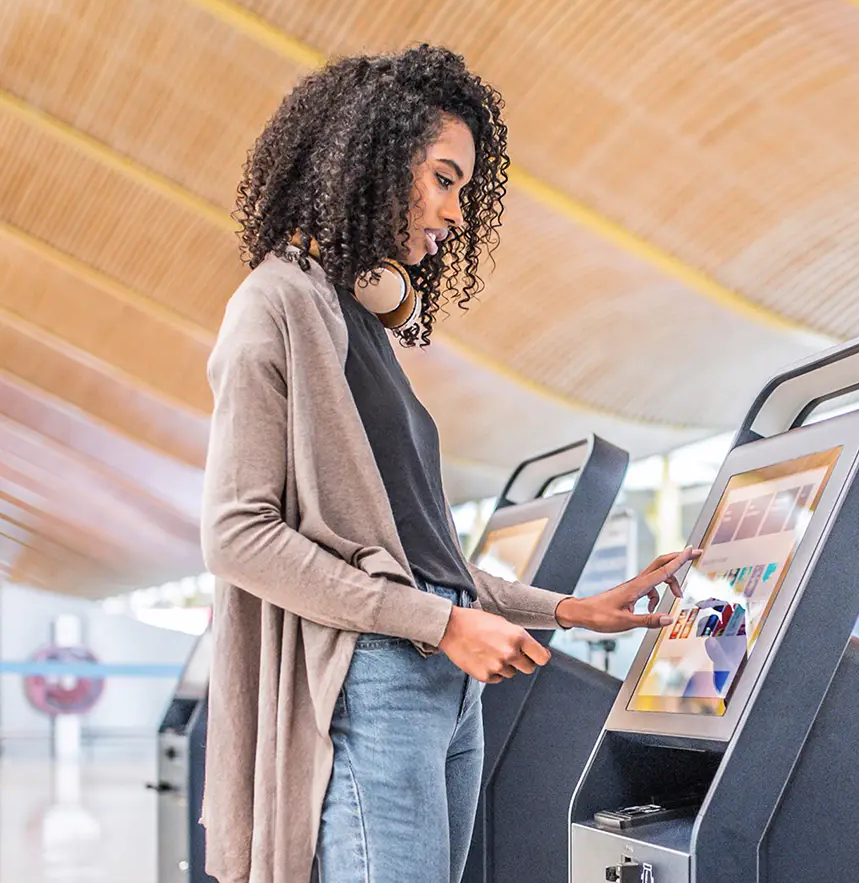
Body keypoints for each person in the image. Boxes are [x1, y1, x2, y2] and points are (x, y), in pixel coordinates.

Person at [199, 44, 696, 883]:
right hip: (377, 680)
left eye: (463, 187)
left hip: (439, 682)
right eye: (444, 178)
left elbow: (428, 568)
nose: (456, 211)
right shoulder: (274, 306)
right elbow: (237, 534)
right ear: (375, 163)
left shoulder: (359, 327)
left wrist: (572, 609)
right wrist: (443, 626)